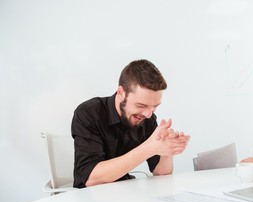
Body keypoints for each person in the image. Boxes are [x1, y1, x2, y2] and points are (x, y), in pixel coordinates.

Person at [71, 59, 190, 188]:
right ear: (121, 93)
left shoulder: (147, 118)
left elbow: (160, 173)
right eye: (141, 105)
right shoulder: (89, 113)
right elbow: (91, 178)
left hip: (127, 192)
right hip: (89, 198)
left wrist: (167, 152)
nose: (148, 114)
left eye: (154, 107)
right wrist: (149, 148)